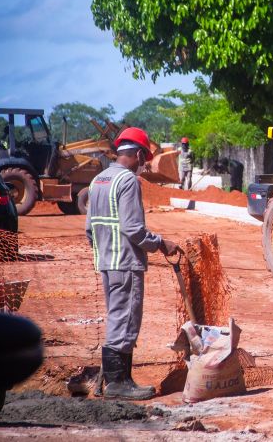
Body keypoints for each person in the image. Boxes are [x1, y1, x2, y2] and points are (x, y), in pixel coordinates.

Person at [85, 127, 181, 400]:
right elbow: (134, 229)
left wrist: (106, 253)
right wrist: (161, 243)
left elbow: (90, 229)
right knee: (125, 320)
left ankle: (121, 379)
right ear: (138, 154)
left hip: (107, 262)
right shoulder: (126, 181)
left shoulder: (98, 181)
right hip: (125, 263)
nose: (144, 165)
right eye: (144, 159)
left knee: (118, 318)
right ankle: (118, 384)